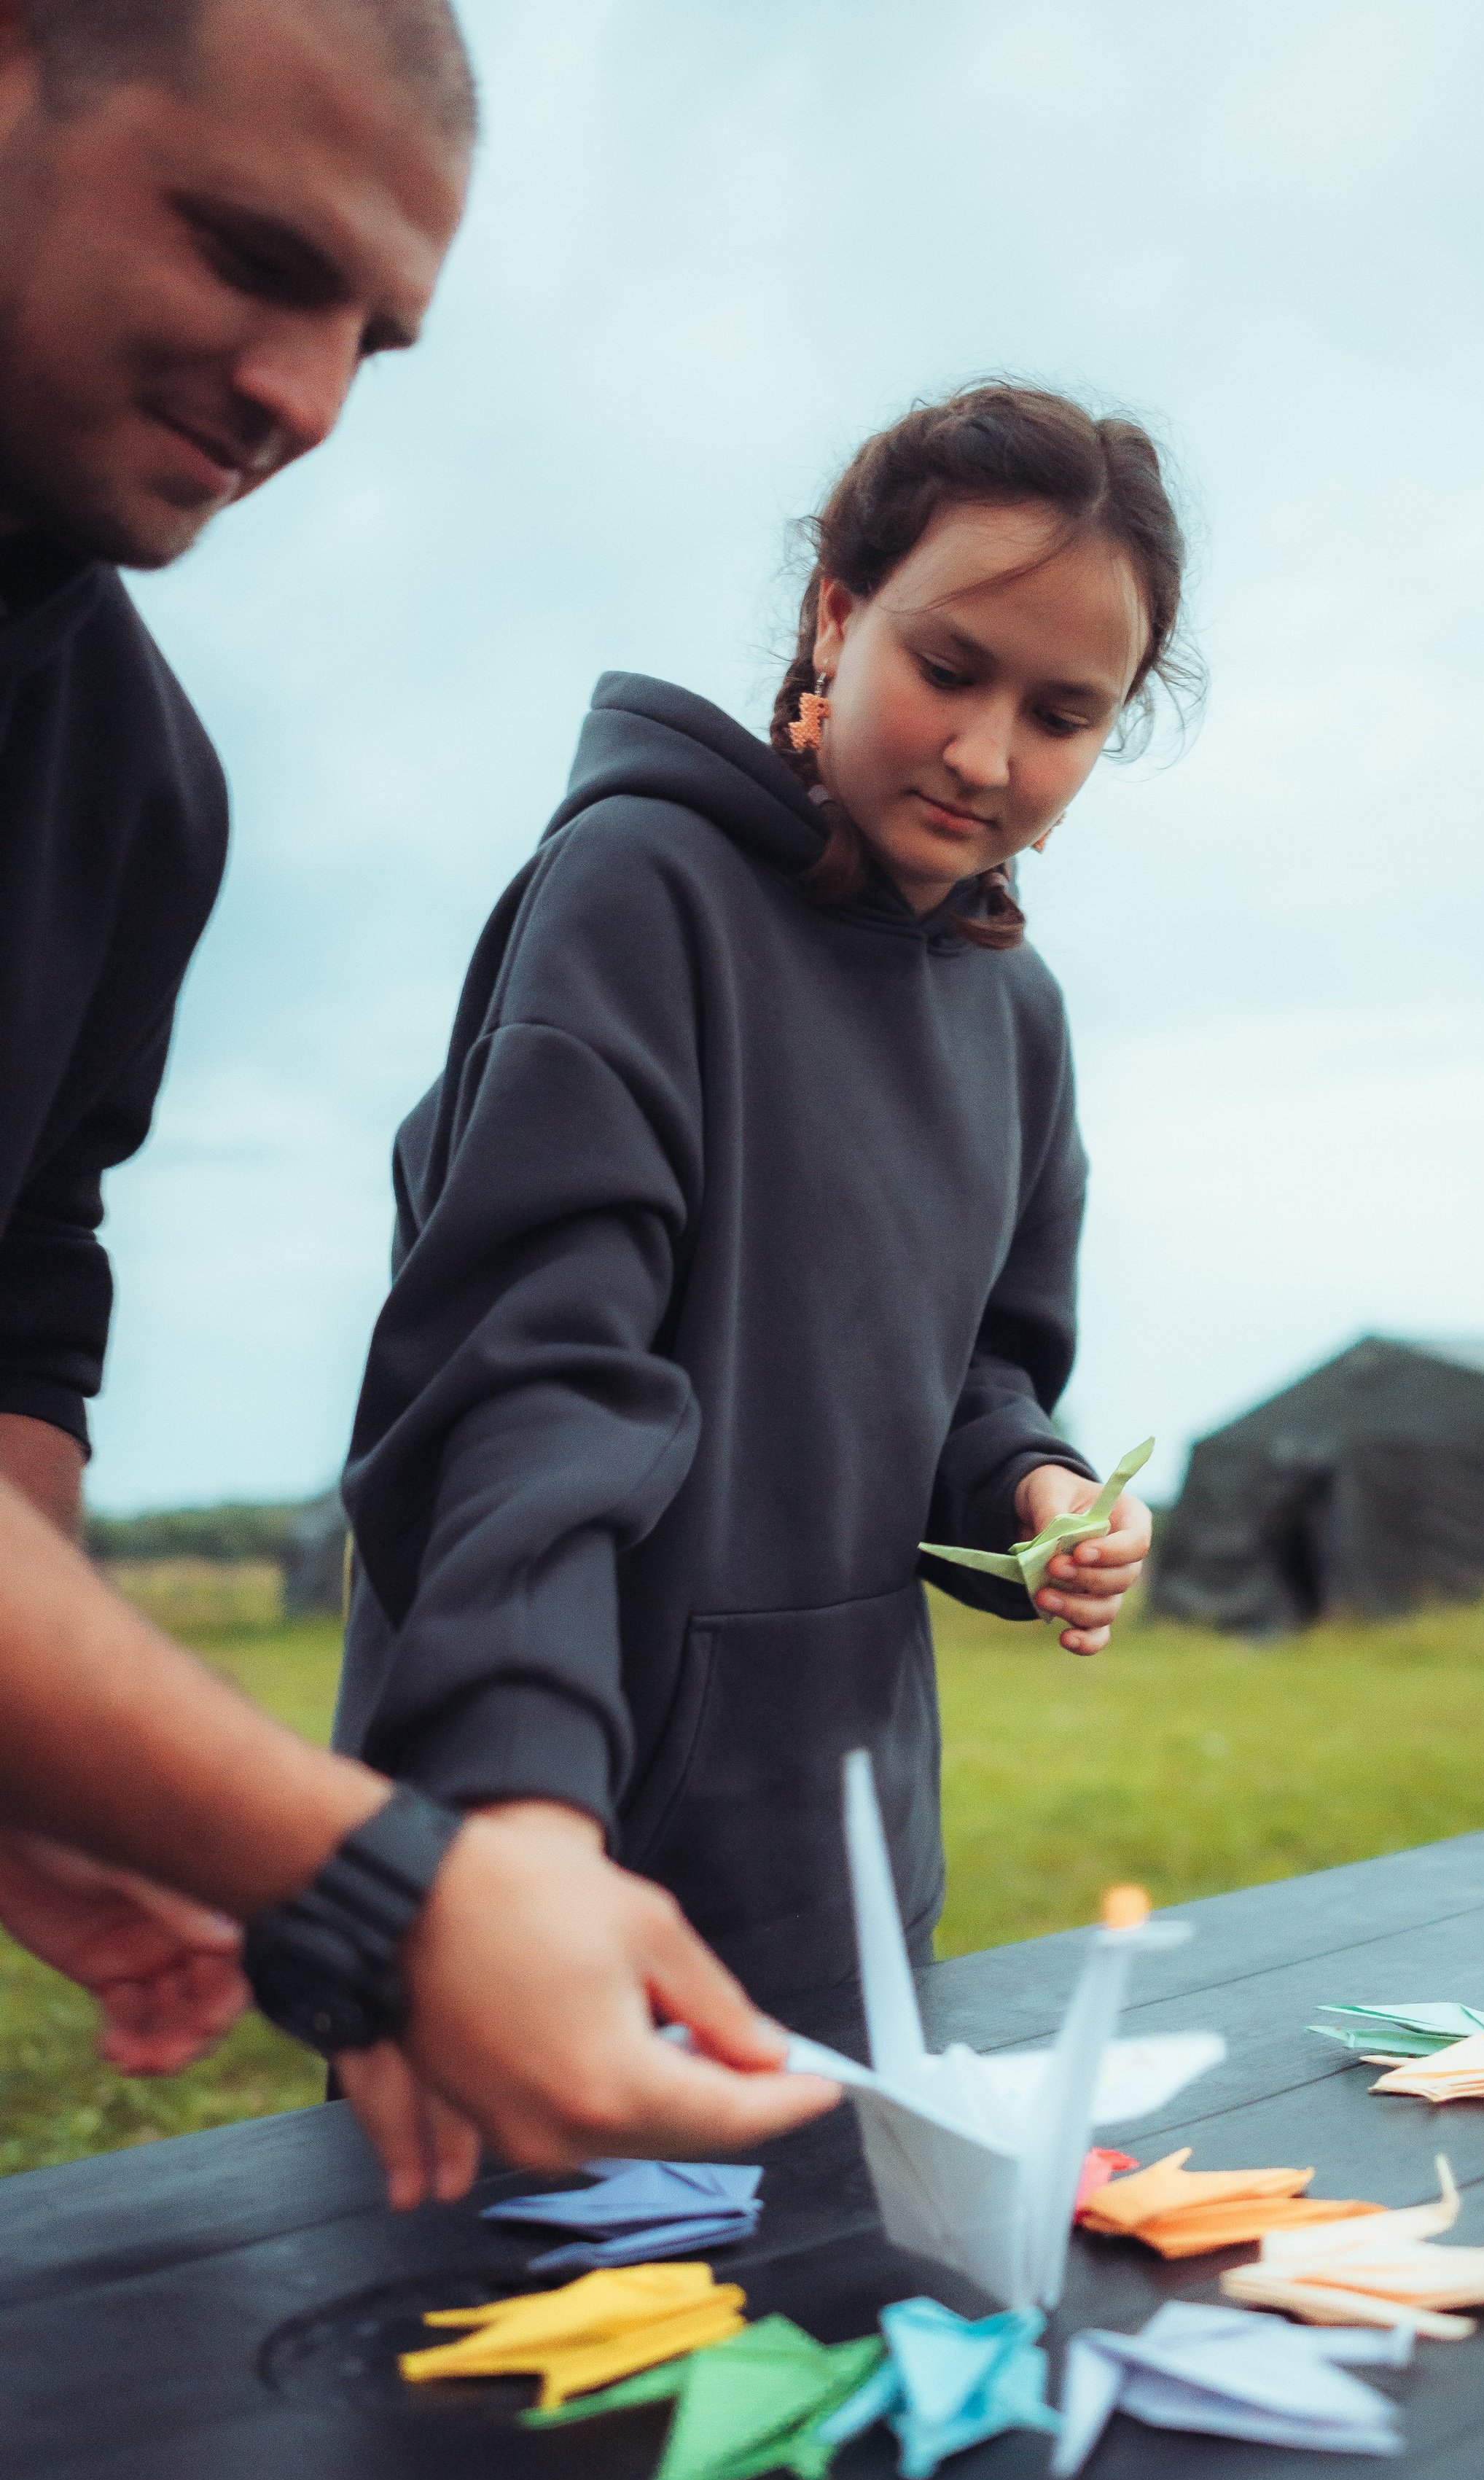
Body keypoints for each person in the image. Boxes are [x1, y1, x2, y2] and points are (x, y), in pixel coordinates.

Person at [0, 0, 839, 2194]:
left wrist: (48, 1773)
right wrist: (370, 1873)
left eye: (375, 341)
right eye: (254, 259)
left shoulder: (137, 791)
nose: (300, 402)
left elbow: (21, 1302)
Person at [335, 384, 1190, 2015]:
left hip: (850, 1873)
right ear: (836, 615)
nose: (982, 753)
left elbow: (973, 1374)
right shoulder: (640, 892)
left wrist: (1031, 1482)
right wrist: (520, 1818)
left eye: (1062, 713)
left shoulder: (1019, 1018)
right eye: (947, 667)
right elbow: (523, 1385)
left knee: (853, 2268)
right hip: (559, 1851)